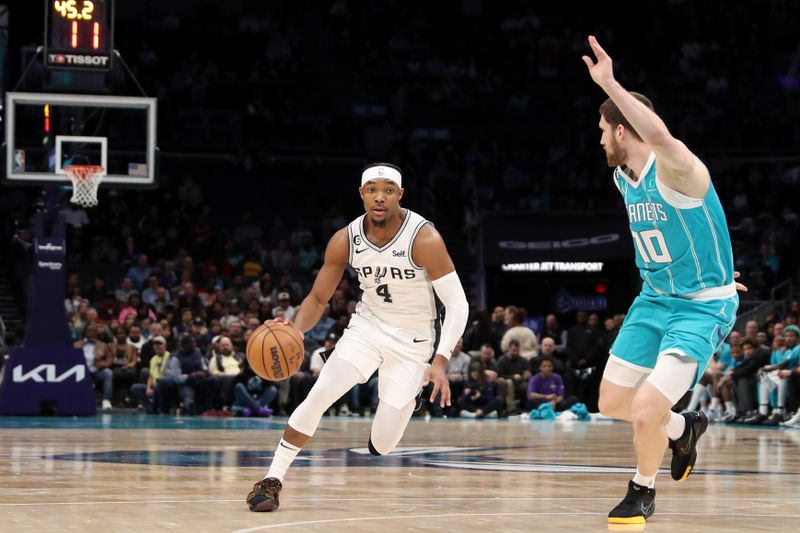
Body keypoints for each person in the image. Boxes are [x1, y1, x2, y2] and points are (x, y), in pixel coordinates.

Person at [582, 36, 746, 525]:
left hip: (700, 307)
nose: (600, 139)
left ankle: (642, 491)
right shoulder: (622, 177)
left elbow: (662, 139)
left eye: (603, 129)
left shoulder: (678, 169)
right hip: (654, 300)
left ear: (624, 129)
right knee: (612, 401)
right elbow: (689, 233)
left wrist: (610, 83)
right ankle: (683, 429)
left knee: (644, 408)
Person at [246, 162, 468, 512]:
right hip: (367, 327)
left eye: (388, 190)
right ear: (362, 194)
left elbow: (457, 304)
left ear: (400, 195)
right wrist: (294, 329)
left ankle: (409, 399)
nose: (380, 196)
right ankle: (272, 480)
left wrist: (440, 361)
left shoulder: (424, 237)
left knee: (382, 445)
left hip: (413, 342)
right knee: (319, 396)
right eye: (372, 189)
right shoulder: (344, 239)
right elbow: (318, 298)